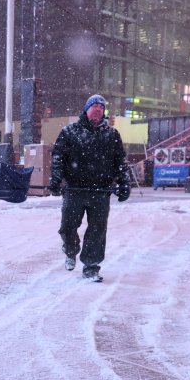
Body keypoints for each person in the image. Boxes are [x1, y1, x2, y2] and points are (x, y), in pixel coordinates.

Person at [48, 95, 131, 282]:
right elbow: (58, 158)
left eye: (101, 108)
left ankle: (91, 267)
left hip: (100, 192)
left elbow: (120, 162)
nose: (98, 109)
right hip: (74, 190)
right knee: (68, 227)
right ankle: (70, 250)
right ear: (86, 110)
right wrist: (56, 179)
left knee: (97, 231)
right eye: (94, 106)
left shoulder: (112, 135)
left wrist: (124, 183)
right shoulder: (69, 132)